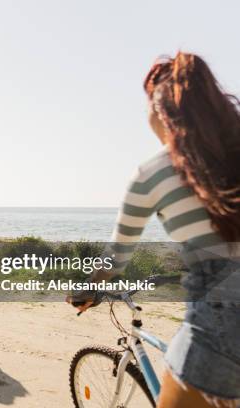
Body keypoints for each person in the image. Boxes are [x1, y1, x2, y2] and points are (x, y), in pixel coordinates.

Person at [69, 53, 240, 407]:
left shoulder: (152, 173)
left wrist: (84, 290)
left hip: (221, 323)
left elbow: (115, 257)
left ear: (161, 109)